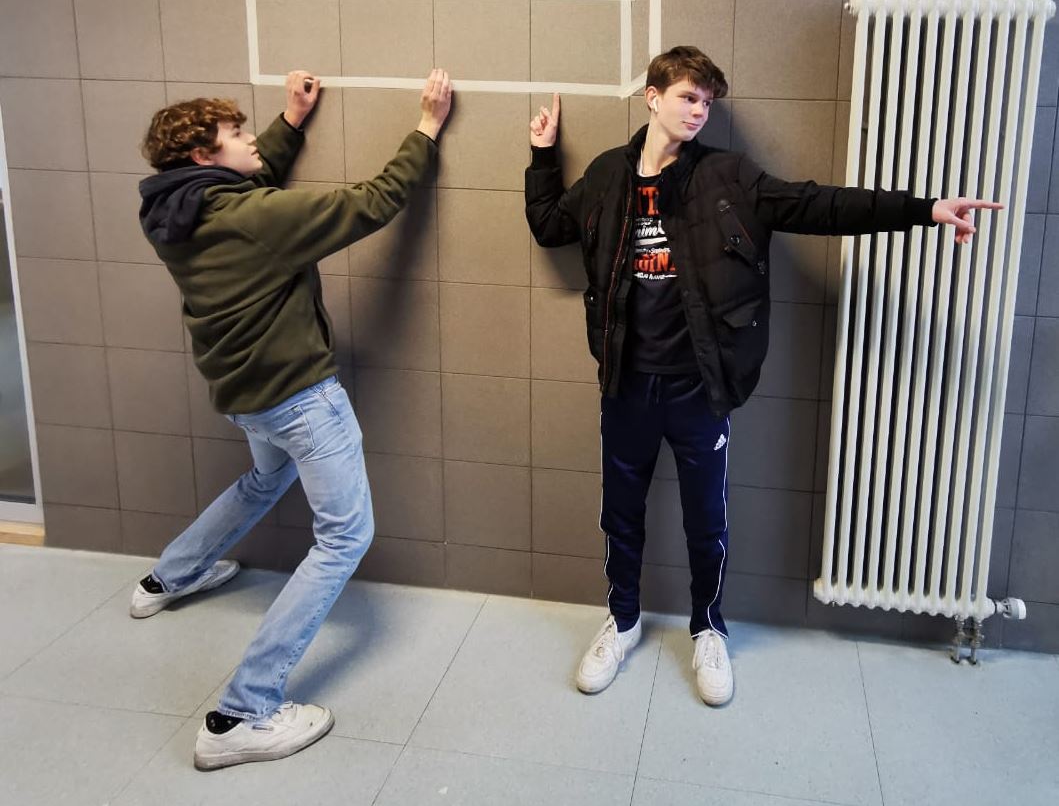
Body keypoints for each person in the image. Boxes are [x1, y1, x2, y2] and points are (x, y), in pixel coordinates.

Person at [524, 45, 999, 706]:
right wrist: (542, 156)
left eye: (707, 101)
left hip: (699, 388)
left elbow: (819, 205)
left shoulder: (728, 178)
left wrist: (923, 209)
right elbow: (549, 226)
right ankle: (622, 620)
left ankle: (707, 628)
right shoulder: (607, 176)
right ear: (652, 97)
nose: (699, 110)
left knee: (705, 521)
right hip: (625, 385)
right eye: (688, 96)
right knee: (620, 514)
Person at [132, 67, 452, 769]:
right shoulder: (251, 217)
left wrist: (289, 122)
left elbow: (245, 191)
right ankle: (240, 714)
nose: (251, 138)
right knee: (345, 536)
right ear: (203, 156)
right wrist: (426, 128)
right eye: (237, 133)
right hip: (300, 397)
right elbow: (371, 202)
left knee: (264, 480)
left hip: (243, 395)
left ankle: (167, 578)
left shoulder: (173, 212)